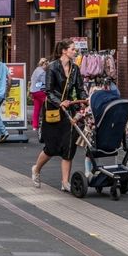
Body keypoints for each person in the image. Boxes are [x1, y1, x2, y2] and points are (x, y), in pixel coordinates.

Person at [31, 39, 86, 190]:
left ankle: (65, 182)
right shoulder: (52, 67)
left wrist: (84, 100)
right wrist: (60, 102)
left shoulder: (75, 69)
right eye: (73, 49)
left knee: (69, 146)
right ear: (64, 51)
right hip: (53, 110)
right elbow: (48, 91)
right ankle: (36, 169)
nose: (75, 52)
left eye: (75, 49)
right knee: (52, 147)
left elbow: (80, 88)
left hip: (69, 110)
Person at [29, 57, 49, 141]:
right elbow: (45, 83)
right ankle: (46, 123)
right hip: (40, 92)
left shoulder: (36, 70)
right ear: (44, 64)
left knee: (36, 109)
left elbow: (34, 81)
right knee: (48, 106)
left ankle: (35, 126)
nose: (47, 67)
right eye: (47, 65)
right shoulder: (42, 72)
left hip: (33, 91)